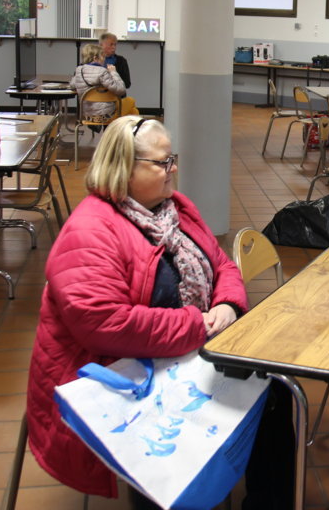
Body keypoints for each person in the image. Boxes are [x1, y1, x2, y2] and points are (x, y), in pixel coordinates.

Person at [26, 116, 293, 509]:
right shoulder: (91, 230)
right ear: (123, 167)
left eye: (173, 159)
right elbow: (104, 324)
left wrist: (227, 304)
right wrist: (197, 325)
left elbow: (222, 265)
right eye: (162, 162)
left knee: (277, 390)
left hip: (180, 352)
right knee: (168, 442)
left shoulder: (174, 208)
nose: (173, 169)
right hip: (116, 370)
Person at [70, 42, 138, 121]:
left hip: (88, 116)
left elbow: (72, 85)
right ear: (95, 58)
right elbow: (121, 90)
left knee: (132, 110)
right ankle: (129, 128)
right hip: (107, 115)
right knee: (131, 101)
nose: (104, 59)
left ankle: (123, 127)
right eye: (102, 56)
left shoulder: (79, 71)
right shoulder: (102, 72)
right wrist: (113, 72)